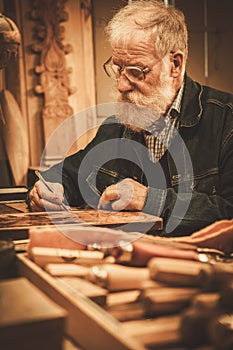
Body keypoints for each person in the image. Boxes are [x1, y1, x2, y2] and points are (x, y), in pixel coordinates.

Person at [27, 0, 233, 237]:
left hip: (197, 268)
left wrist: (150, 199)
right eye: (118, 69)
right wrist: (49, 189)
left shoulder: (226, 120)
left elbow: (228, 212)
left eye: (136, 72)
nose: (122, 85)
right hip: (125, 260)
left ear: (175, 65)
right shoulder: (118, 123)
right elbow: (72, 172)